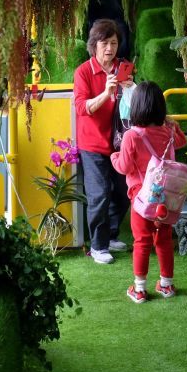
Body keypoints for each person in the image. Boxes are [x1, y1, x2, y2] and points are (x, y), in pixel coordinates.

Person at [110, 81, 186, 303]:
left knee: (142, 241)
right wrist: (172, 125)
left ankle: (140, 288)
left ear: (136, 107)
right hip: (166, 197)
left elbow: (124, 167)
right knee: (164, 240)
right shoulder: (168, 131)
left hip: (142, 198)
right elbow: (181, 142)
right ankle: (166, 285)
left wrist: (114, 157)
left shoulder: (132, 136)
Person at [73, 19, 134, 264]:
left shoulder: (124, 67)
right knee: (99, 195)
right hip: (92, 144)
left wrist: (130, 88)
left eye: (114, 42)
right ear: (94, 46)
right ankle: (98, 246)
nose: (110, 48)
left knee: (123, 192)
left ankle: (109, 236)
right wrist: (106, 93)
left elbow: (134, 104)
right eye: (104, 43)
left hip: (120, 143)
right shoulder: (83, 72)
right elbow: (81, 107)